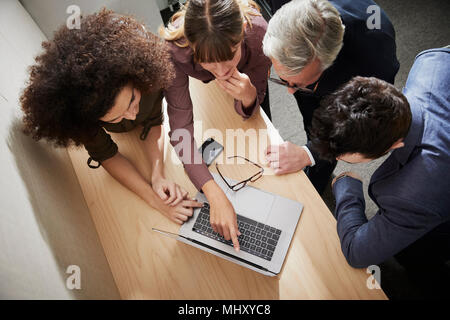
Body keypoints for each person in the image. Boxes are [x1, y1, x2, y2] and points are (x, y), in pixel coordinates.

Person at [21, 9, 202, 224]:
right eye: (116, 118)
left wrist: (158, 175)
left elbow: (153, 121)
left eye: (133, 101)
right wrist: (156, 201)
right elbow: (107, 155)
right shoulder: (84, 113)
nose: (133, 114)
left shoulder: (144, 79)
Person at [309, 48, 450, 297]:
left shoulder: (413, 194)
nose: (336, 159)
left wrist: (346, 187)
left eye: (342, 156)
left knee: (423, 256)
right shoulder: (430, 62)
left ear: (393, 145)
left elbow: (356, 250)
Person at [160, 0, 272, 251]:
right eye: (209, 61)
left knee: (262, 131)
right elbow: (180, 130)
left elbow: (256, 104)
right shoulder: (174, 49)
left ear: (243, 29)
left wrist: (249, 95)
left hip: (250, 78)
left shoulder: (259, 36)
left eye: (229, 56)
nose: (221, 72)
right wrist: (212, 190)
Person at [262, 0, 399, 194]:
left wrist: (308, 153)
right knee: (313, 122)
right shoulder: (284, 8)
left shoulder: (375, 61)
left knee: (326, 142)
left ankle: (318, 180)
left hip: (354, 73)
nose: (289, 92)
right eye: (283, 80)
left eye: (297, 84)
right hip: (319, 77)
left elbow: (360, 124)